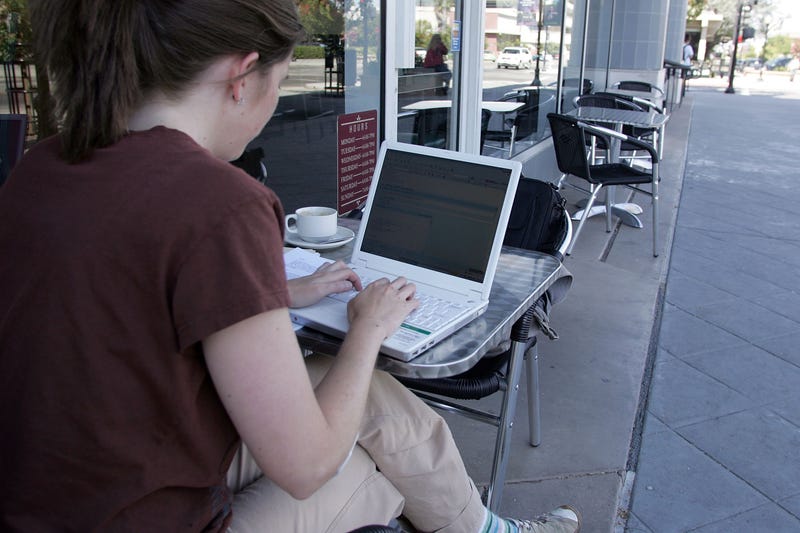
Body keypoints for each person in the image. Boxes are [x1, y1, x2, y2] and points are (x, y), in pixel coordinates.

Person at [0, 1, 580, 532]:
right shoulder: (220, 203)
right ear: (242, 75)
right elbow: (306, 467)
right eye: (277, 84)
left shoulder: (40, 167)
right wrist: (369, 328)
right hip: (148, 515)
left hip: (61, 490)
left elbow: (119, 301)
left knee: (369, 396)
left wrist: (268, 293)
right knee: (366, 467)